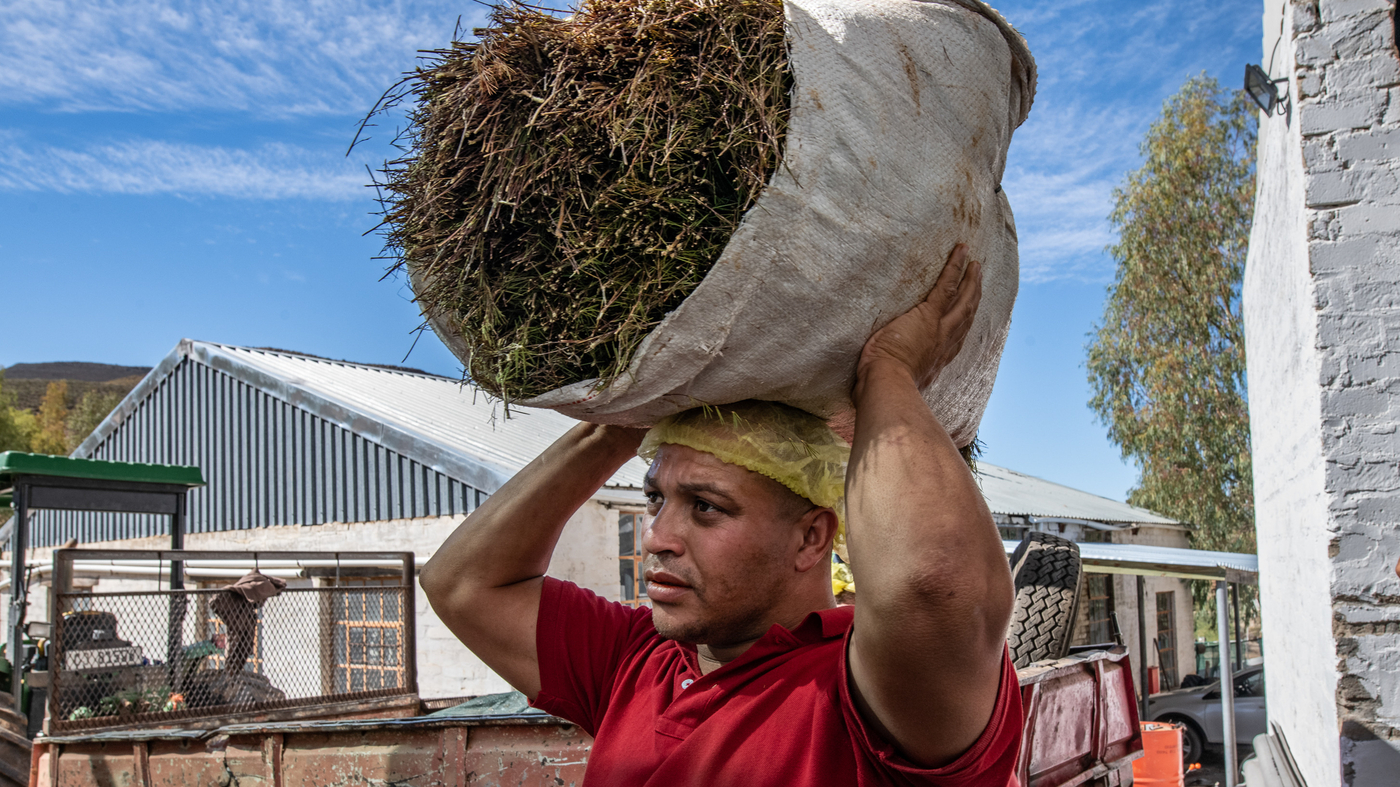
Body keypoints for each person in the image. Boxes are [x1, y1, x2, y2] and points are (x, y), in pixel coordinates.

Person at [421, 244, 1020, 785]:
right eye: (657, 498)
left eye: (705, 508)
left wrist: (887, 372)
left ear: (812, 537)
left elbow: (933, 584)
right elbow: (462, 583)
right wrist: (620, 420)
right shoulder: (635, 659)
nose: (657, 537)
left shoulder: (863, 688)